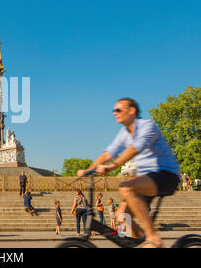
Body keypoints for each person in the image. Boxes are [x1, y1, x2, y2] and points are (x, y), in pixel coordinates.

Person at [77, 98, 180, 248]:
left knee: (125, 187)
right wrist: (89, 169)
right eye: (113, 110)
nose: (114, 113)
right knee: (121, 216)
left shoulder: (147, 126)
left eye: (118, 110)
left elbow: (134, 149)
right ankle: (144, 242)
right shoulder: (124, 133)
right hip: (147, 180)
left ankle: (153, 237)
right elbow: (108, 153)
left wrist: (112, 166)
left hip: (166, 175)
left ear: (131, 111)